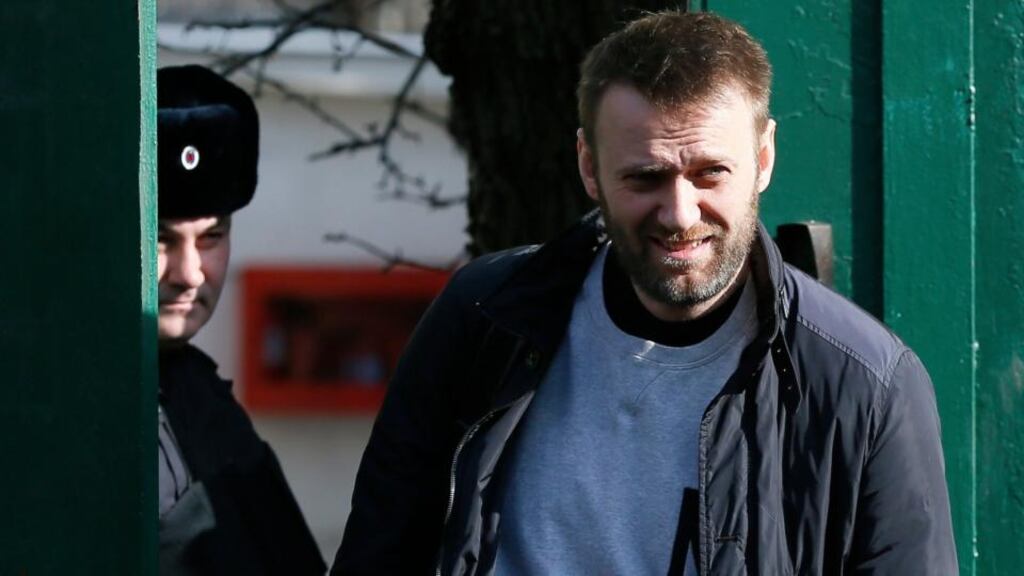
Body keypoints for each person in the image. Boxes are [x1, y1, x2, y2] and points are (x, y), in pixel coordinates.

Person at [332, 11, 957, 576]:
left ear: (763, 157)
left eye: (710, 172)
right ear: (588, 167)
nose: (680, 213)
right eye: (646, 177)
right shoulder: (484, 317)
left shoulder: (867, 386)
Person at [156, 64, 326, 576]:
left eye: (212, 238)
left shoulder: (201, 394)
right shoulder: (57, 408)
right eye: (159, 239)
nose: (189, 274)